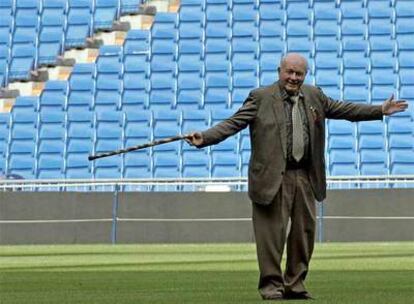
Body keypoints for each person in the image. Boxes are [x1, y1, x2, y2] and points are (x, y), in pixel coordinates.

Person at [186, 53, 408, 301]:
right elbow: (233, 123)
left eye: (298, 73)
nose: (293, 77)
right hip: (271, 178)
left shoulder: (314, 96)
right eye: (289, 72)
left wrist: (378, 110)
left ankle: (295, 285)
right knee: (271, 236)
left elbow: (345, 109)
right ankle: (272, 287)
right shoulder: (260, 97)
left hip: (304, 176)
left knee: (304, 234)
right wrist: (205, 137)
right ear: (279, 70)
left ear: (305, 75)